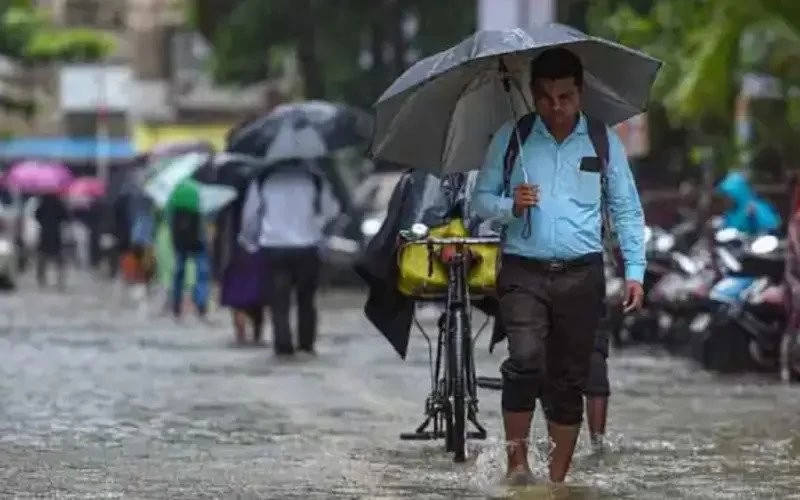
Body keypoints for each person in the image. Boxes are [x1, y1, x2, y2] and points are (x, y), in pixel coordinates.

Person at [472, 47, 646, 485]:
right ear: (533, 94)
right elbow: (481, 201)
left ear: (579, 93)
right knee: (525, 359)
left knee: (569, 378)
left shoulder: (603, 141)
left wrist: (635, 271)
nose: (556, 107)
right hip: (523, 270)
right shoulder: (512, 138)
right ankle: (517, 467)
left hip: (582, 273)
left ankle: (556, 482)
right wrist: (510, 205)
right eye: (546, 97)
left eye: (565, 97)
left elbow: (626, 209)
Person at [239, 160, 340, 356]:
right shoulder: (315, 178)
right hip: (307, 245)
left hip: (274, 246)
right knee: (306, 300)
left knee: (279, 301)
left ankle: (283, 346)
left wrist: (248, 241)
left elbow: (250, 215)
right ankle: (306, 345)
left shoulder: (263, 179)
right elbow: (331, 211)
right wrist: (315, 224)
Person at [216, 192, 267, 346]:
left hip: (236, 253)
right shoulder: (261, 191)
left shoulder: (227, 199)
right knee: (258, 296)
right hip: (258, 249)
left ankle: (241, 336)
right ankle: (257, 335)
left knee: (237, 299)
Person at [167, 180, 211, 319]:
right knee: (201, 272)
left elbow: (169, 220)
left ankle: (176, 304)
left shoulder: (174, 195)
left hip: (180, 239)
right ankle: (201, 303)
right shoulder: (200, 193)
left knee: (179, 272)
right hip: (198, 239)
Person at [717, 171, 781, 235]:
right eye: (725, 195)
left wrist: (752, 216)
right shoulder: (731, 212)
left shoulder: (756, 207)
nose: (725, 199)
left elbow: (771, 225)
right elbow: (730, 226)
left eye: (727, 195)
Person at [34, 193, 70, 289]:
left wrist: (43, 222)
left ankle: (41, 278)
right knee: (58, 258)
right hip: (56, 233)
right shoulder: (59, 203)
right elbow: (66, 217)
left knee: (42, 257)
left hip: (45, 233)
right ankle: (60, 280)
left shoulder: (42, 202)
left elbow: (36, 215)